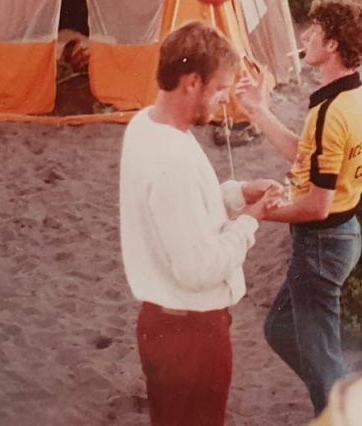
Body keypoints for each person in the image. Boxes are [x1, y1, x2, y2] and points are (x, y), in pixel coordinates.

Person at [119, 21, 281, 426]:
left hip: (162, 324)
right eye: (221, 88)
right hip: (190, 333)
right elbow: (198, 269)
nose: (225, 100)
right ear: (192, 82)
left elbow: (176, 211)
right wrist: (249, 222)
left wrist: (236, 193)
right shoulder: (172, 160)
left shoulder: (146, 125)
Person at [235, 0, 362, 415]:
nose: (304, 36)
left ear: (332, 44)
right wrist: (259, 111)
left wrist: (260, 212)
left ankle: (339, 406)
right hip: (339, 238)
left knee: (321, 361)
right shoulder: (353, 97)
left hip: (321, 243)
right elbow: (307, 155)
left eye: (314, 30)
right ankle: (339, 386)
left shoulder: (332, 112)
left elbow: (316, 206)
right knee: (280, 329)